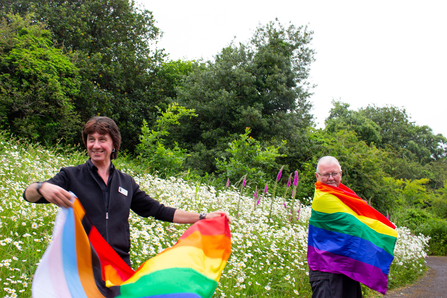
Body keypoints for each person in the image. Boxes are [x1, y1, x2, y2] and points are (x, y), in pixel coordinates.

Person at [23, 116, 229, 266]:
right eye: (91, 139)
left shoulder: (126, 182)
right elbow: (29, 195)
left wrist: (202, 217)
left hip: (118, 267)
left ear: (113, 144)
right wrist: (42, 186)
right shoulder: (70, 176)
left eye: (102, 139)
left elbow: (159, 210)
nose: (95, 145)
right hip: (80, 266)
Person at [308, 156, 363, 298]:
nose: (331, 178)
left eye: (334, 173)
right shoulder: (323, 198)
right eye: (326, 174)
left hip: (347, 266)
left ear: (341, 174)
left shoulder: (344, 196)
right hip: (326, 269)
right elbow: (354, 226)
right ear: (317, 176)